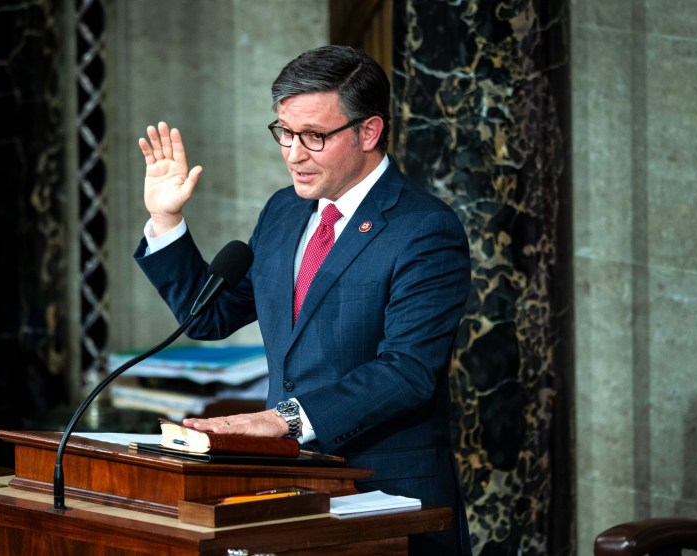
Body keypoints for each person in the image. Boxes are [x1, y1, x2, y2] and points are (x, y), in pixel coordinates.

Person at [134, 45, 471, 555]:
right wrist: (166, 222)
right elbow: (212, 316)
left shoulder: (424, 228)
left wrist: (283, 419)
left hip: (383, 495)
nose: (293, 154)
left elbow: (406, 371)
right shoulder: (284, 211)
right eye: (284, 133)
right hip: (287, 491)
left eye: (313, 136)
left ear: (368, 131)